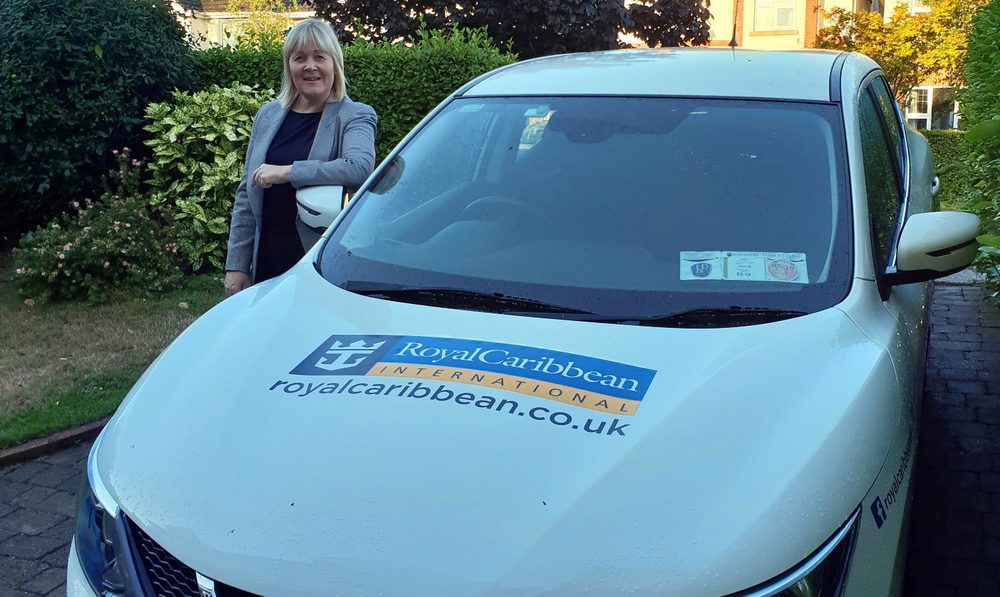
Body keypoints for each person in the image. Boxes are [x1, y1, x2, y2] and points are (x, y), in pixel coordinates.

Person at [224, 19, 377, 297]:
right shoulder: (267, 116)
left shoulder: (354, 115)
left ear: (334, 64)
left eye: (319, 57)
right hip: (267, 263)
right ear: (289, 66)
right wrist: (237, 265)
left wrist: (287, 172)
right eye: (299, 58)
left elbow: (359, 168)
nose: (310, 66)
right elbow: (247, 195)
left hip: (323, 266)